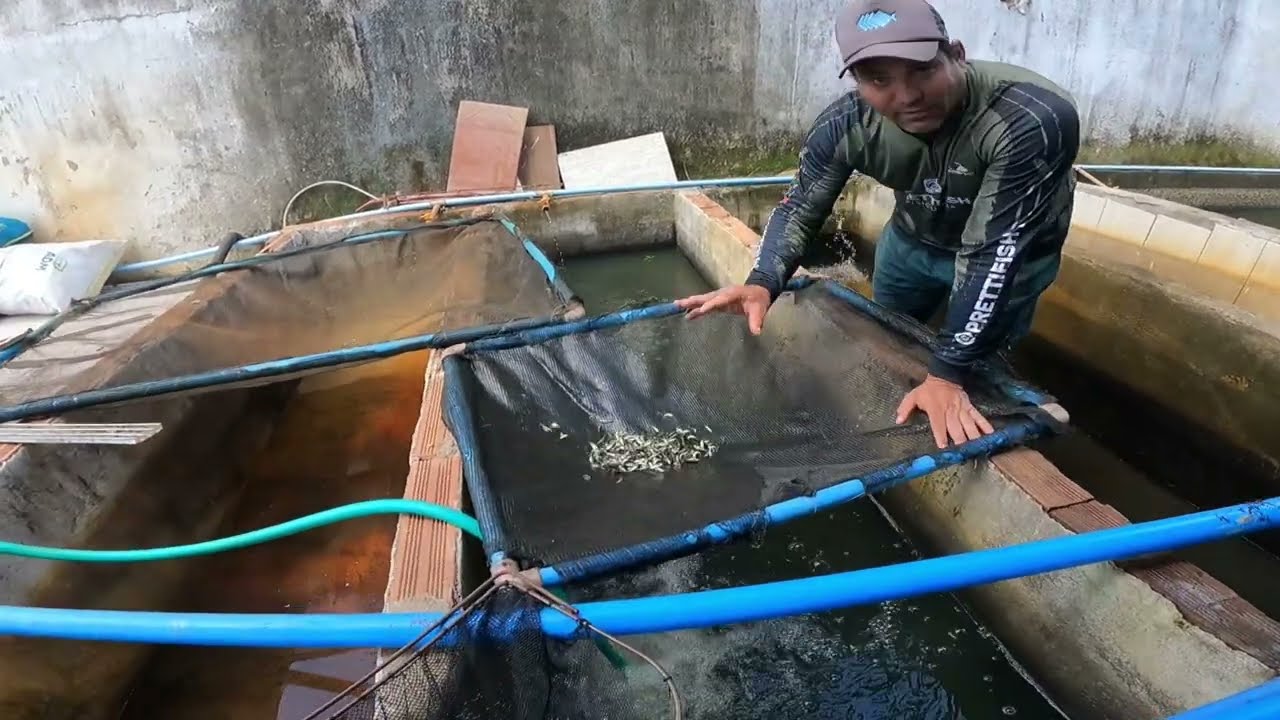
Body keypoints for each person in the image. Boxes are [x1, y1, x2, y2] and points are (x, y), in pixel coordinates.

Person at [676, 0, 1080, 449]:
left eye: (922, 71)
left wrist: (947, 373)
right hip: (912, 243)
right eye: (878, 80)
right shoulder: (847, 125)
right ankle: (908, 404)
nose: (906, 96)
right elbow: (799, 206)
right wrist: (763, 279)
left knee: (980, 363)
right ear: (858, 83)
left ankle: (980, 408)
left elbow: (994, 252)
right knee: (888, 341)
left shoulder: (1029, 119)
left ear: (957, 54)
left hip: (1013, 256)